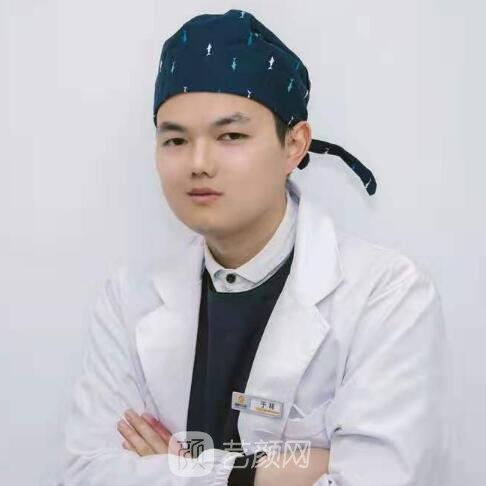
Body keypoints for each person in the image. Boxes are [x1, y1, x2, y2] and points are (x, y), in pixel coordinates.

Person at [57, 9, 448, 486]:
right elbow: (87, 473)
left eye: (231, 136)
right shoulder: (128, 299)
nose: (199, 163)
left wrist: (177, 464)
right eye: (175, 139)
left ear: (295, 145)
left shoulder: (387, 298)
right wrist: (269, 472)